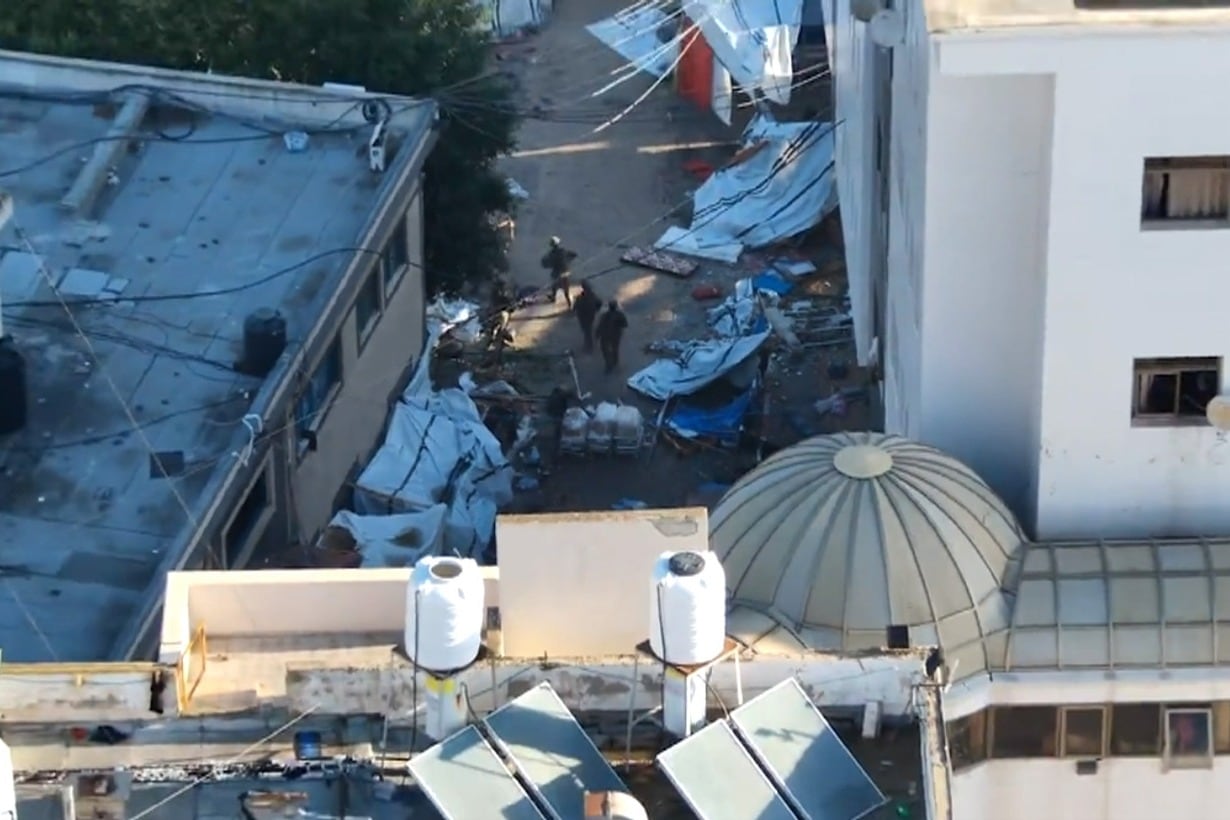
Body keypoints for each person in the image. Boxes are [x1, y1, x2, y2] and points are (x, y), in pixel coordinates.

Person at [541, 236, 577, 308]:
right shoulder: (564, 251)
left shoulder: (551, 254)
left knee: (554, 284)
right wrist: (568, 261)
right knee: (566, 290)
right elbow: (574, 255)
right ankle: (570, 304)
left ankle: (553, 297)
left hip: (558, 274)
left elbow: (546, 264)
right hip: (566, 273)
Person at [595, 300, 628, 374]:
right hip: (616, 336)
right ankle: (615, 362)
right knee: (615, 349)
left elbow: (600, 326)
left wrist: (597, 335)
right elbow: (625, 324)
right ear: (616, 307)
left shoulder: (604, 315)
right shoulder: (620, 315)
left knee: (605, 351)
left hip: (605, 335)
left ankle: (609, 365)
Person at [573, 281, 602, 353]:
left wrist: (575, 311)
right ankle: (589, 344)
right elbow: (599, 303)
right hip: (589, 315)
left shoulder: (580, 298)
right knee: (587, 329)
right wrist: (596, 310)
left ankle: (589, 345)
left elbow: (575, 307)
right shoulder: (592, 296)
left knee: (587, 330)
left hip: (584, 316)